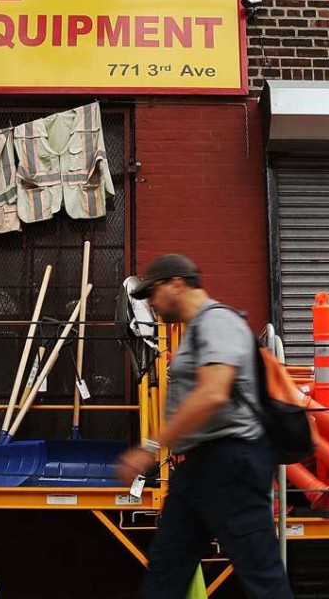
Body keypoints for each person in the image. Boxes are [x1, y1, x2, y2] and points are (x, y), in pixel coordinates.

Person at [116, 254, 293, 599]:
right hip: (198, 467)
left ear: (176, 284)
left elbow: (213, 393)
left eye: (152, 293)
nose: (151, 303)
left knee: (261, 575)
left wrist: (151, 448)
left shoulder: (217, 322)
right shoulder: (197, 329)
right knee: (166, 569)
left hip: (230, 464)